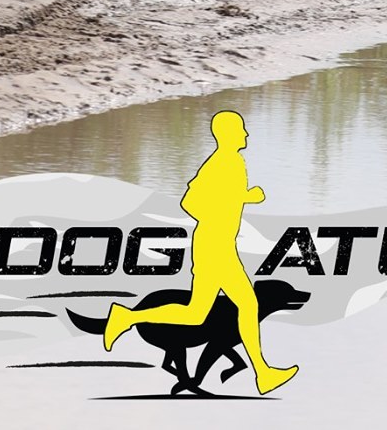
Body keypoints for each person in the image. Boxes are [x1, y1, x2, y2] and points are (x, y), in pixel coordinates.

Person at [103, 110, 299, 396]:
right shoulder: (223, 162)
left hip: (216, 244)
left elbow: (212, 198)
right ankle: (263, 373)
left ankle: (126, 318)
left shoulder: (229, 162)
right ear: (228, 134)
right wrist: (222, 214)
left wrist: (244, 197)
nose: (246, 134)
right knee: (245, 305)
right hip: (215, 246)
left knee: (198, 313)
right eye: (241, 130)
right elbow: (190, 202)